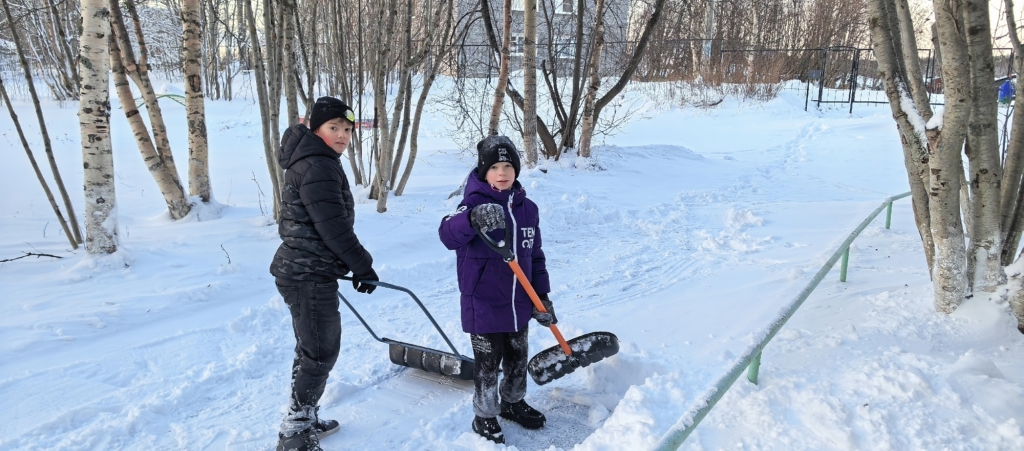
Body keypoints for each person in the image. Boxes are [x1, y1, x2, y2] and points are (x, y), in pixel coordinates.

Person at [270, 96, 379, 451]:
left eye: (347, 129)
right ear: (316, 129)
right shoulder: (317, 165)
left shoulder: (316, 160)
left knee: (311, 348)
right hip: (308, 274)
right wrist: (363, 265)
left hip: (306, 270)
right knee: (320, 351)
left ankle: (304, 415)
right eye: (334, 127)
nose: (342, 135)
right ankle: (295, 431)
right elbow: (333, 228)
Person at [438, 135, 558, 444]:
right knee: (488, 363)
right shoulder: (471, 204)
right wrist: (472, 218)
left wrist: (542, 297)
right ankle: (484, 415)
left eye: (508, 166)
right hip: (483, 302)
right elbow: (447, 234)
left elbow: (535, 256)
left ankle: (513, 402)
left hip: (520, 302)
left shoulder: (528, 209)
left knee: (517, 357)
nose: (502, 173)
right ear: (483, 172)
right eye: (493, 167)